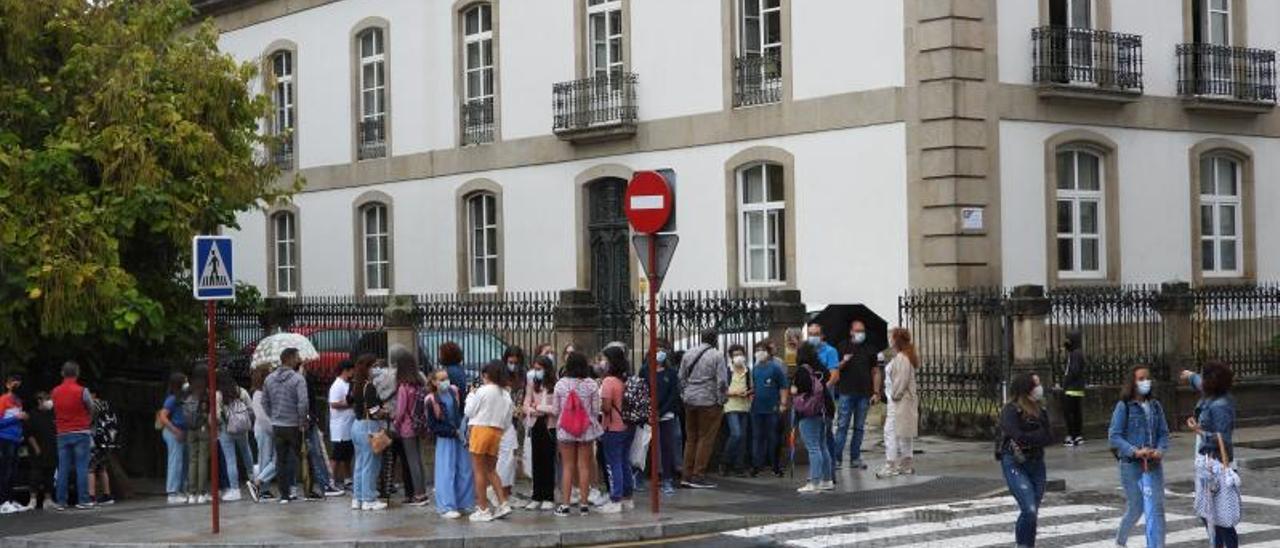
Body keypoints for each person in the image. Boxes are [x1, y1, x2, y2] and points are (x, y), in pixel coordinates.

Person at [1109, 365, 1169, 548]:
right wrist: (1134, 451)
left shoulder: (1155, 406)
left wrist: (1160, 449)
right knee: (1137, 507)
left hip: (1153, 463)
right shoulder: (1124, 407)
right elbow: (1114, 436)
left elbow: (1164, 433)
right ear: (1133, 383)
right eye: (1141, 379)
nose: (1145, 382)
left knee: (1157, 508)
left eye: (1147, 378)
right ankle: (1120, 541)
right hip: (1131, 464)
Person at [1183, 361, 1238, 548]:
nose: (1202, 380)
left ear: (1212, 381)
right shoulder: (1213, 395)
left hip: (1216, 463)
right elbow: (1199, 382)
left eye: (1203, 376)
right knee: (1207, 513)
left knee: (1222, 517)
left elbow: (1223, 438)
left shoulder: (1220, 405)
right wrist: (1191, 376)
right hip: (1206, 461)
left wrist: (1198, 430)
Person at [998, 373, 1053, 548]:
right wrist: (1037, 436)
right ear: (1026, 387)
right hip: (1015, 462)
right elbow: (1018, 435)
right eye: (1036, 384)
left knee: (1033, 511)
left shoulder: (1040, 409)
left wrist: (1034, 436)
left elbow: (1050, 436)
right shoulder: (1011, 410)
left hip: (1037, 462)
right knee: (1028, 508)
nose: (1039, 387)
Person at [464, 360, 515, 522]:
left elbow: (469, 411)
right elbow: (508, 421)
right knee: (491, 470)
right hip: (497, 432)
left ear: (488, 374)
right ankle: (503, 503)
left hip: (480, 430)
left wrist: (470, 395)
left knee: (479, 471)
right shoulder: (505, 394)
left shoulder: (483, 391)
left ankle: (483, 509)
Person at [554, 351, 603, 517]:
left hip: (566, 430)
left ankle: (565, 505)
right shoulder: (591, 384)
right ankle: (584, 505)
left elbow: (556, 409)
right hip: (586, 431)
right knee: (584, 467)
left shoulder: (560, 384)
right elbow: (596, 410)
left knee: (567, 467)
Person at [678, 329, 728, 489]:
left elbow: (681, 377)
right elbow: (721, 381)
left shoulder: (688, 353)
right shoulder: (717, 355)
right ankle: (698, 475)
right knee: (705, 438)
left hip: (690, 399)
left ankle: (686, 474)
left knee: (691, 438)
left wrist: (686, 393)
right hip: (708, 400)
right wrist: (722, 400)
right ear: (715, 339)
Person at [831, 321, 882, 470]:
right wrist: (844, 362)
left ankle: (855, 458)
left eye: (863, 330)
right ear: (851, 332)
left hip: (864, 393)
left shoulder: (869, 348)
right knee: (842, 426)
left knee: (859, 427)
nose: (861, 333)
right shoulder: (842, 346)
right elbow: (834, 369)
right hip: (846, 392)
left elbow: (875, 371)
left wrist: (876, 392)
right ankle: (837, 459)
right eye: (858, 330)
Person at [261, 348, 308, 504]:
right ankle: (308, 490)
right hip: (294, 424)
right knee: (303, 456)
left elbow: (264, 402)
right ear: (290, 359)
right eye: (297, 357)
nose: (299, 359)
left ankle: (284, 495)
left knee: (281, 460)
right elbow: (303, 403)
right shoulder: (298, 379)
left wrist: (273, 415)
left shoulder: (269, 379)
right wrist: (302, 421)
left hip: (277, 424)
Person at [427, 366, 475, 518]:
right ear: (434, 382)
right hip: (446, 437)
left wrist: (463, 428)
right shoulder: (430, 400)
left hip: (460, 436)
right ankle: (446, 506)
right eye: (441, 379)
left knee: (465, 469)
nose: (445, 382)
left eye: (446, 378)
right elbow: (433, 425)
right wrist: (451, 431)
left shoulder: (454, 391)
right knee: (446, 472)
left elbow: (461, 411)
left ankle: (465, 503)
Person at [390, 346, 430, 506]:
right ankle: (423, 491)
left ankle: (418, 495)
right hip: (419, 425)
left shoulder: (403, 388)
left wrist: (395, 423)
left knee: (412, 460)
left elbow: (400, 411)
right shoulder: (419, 384)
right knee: (418, 460)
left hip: (407, 428)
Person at [51, 361, 94, 509]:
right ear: (77, 373)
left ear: (62, 373)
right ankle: (83, 500)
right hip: (81, 431)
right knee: (82, 467)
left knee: (63, 468)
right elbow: (91, 407)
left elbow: (53, 407)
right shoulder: (82, 391)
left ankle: (61, 501)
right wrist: (87, 420)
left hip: (62, 433)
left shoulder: (55, 391)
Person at [877, 328, 919, 478]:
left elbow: (901, 381)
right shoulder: (905, 356)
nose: (889, 340)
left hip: (898, 402)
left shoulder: (902, 358)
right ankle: (906, 463)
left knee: (891, 432)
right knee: (904, 433)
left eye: (891, 337)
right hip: (903, 402)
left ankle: (891, 465)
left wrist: (894, 396)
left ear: (897, 340)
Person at [792, 343, 834, 493]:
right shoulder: (821, 368)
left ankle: (814, 482)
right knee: (822, 445)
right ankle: (827, 480)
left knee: (813, 447)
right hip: (825, 410)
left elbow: (800, 390)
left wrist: (793, 389)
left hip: (809, 412)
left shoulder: (802, 370)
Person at [598, 346, 635, 513]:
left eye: (604, 359)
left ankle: (616, 499)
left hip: (612, 426)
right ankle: (628, 497)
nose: (602, 362)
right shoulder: (625, 379)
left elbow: (606, 407)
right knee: (624, 461)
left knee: (614, 463)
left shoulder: (608, 381)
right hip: (628, 425)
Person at [348, 353, 386, 511]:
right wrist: (385, 412)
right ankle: (369, 498)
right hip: (369, 426)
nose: (377, 369)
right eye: (374, 366)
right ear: (368, 367)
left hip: (356, 425)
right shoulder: (368, 386)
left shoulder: (354, 384)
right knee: (370, 464)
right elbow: (374, 410)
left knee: (360, 463)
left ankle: (357, 497)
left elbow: (349, 401)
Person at [300, 361, 342, 498]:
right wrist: (310, 418)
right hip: (307, 422)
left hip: (297, 422)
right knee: (316, 453)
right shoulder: (301, 380)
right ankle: (325, 484)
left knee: (309, 455)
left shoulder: (302, 379)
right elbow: (305, 402)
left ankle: (307, 488)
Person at [523, 354, 558, 510]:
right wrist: (531, 409)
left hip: (550, 426)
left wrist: (540, 408)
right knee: (536, 459)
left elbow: (557, 408)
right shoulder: (532, 382)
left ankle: (548, 496)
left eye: (539, 369)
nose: (536, 372)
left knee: (548, 460)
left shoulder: (555, 384)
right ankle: (537, 495)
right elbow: (526, 401)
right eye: (534, 369)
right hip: (536, 423)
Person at [750, 340, 788, 478]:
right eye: (757, 350)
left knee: (774, 438)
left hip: (772, 408)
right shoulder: (755, 368)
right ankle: (756, 466)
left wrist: (783, 404)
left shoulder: (775, 368)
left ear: (767, 352)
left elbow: (783, 387)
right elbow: (754, 387)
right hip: (756, 409)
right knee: (757, 437)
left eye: (761, 350)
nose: (759, 353)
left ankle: (775, 466)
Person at [182, 365, 218, 504]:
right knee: (203, 460)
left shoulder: (187, 391)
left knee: (192, 460)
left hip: (190, 428)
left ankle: (191, 493)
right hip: (204, 428)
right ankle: (202, 492)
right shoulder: (207, 392)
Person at [496, 346, 527, 507]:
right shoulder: (501, 375)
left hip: (517, 420)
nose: (513, 364)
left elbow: (524, 395)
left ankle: (508, 491)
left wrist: (521, 407)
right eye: (510, 361)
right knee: (504, 459)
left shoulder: (523, 375)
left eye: (516, 361)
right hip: (503, 421)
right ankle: (502, 493)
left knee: (512, 458)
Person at [721, 344, 752, 477]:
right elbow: (722, 390)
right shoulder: (727, 371)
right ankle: (725, 462)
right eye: (735, 355)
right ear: (731, 357)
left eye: (740, 354)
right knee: (736, 434)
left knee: (743, 437)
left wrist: (748, 392)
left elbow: (751, 387)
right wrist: (735, 393)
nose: (738, 357)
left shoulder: (748, 371)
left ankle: (739, 466)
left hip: (744, 406)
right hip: (731, 406)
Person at [157, 372, 188, 504]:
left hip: (181, 431)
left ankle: (180, 489)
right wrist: (175, 430)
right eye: (185, 381)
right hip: (173, 432)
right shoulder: (172, 399)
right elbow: (163, 416)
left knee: (183, 461)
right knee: (175, 461)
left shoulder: (182, 397)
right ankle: (172, 492)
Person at [87, 387, 121, 505]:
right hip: (108, 441)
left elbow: (89, 421)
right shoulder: (107, 405)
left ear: (93, 394)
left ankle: (91, 497)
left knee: (90, 468)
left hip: (96, 441)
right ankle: (107, 495)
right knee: (102, 468)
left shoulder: (94, 405)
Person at [246, 366, 275, 502]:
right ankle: (262, 489)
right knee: (265, 459)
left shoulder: (265, 393)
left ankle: (261, 486)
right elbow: (262, 418)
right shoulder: (258, 394)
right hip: (264, 430)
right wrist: (274, 430)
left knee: (270, 459)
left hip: (267, 429)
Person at [24, 392, 56, 510]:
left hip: (52, 449)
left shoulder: (52, 414)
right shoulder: (32, 415)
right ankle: (32, 500)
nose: (49, 401)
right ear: (39, 400)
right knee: (36, 475)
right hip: (37, 450)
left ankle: (48, 500)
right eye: (47, 399)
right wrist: (36, 448)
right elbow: (29, 434)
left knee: (50, 475)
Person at [328, 360, 356, 490]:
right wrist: (349, 404)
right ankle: (331, 481)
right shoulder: (337, 385)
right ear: (346, 370)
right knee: (337, 455)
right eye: (352, 370)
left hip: (348, 425)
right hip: (340, 426)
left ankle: (347, 479)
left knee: (347, 455)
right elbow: (333, 403)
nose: (353, 373)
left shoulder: (347, 384)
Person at [0, 374, 25, 513]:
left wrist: (20, 432)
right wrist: (15, 418)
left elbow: (18, 420)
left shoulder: (19, 402)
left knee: (14, 472)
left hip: (16, 439)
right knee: (6, 471)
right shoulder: (3, 400)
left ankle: (10, 500)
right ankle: (2, 502)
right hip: (5, 438)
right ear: (7, 385)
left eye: (18, 384)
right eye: (13, 383)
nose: (16, 386)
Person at [1060, 330, 1087, 447]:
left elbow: (1073, 371)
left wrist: (1065, 382)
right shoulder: (1078, 353)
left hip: (1071, 389)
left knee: (1069, 413)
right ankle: (1078, 435)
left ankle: (1072, 435)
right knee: (1076, 412)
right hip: (1077, 388)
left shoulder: (1074, 354)